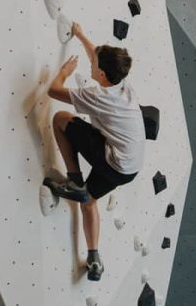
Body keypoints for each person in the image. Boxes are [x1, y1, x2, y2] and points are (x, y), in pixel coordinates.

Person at [44, 23, 144, 280]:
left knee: (61, 119)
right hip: (130, 168)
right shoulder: (123, 85)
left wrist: (64, 72)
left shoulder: (98, 96)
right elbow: (96, 55)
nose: (91, 63)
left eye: (94, 65)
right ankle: (94, 258)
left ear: (101, 75)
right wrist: (79, 35)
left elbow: (53, 90)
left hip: (113, 162)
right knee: (89, 202)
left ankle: (75, 180)